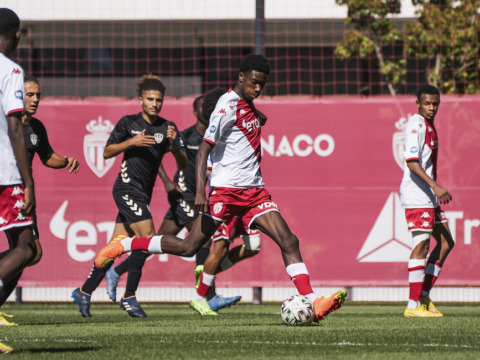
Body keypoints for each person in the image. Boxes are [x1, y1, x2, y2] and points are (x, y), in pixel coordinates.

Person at [94, 54, 347, 321]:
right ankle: (125, 245)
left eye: (262, 84)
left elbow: (250, 115)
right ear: (241, 77)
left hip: (254, 192)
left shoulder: (245, 102)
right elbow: (203, 149)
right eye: (253, 83)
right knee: (188, 248)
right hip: (226, 194)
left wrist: (255, 111)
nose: (258, 89)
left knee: (289, 240)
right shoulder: (226, 107)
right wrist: (202, 193)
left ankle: (312, 301)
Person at [105, 91, 244, 312]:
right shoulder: (186, 135)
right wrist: (167, 181)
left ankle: (116, 271)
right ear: (196, 111)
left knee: (153, 243)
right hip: (185, 196)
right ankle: (208, 296)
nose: (206, 111)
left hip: (191, 198)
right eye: (201, 108)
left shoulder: (214, 137)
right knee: (204, 241)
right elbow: (155, 156)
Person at [72, 74, 187, 318]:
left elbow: (183, 161)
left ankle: (85, 290)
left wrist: (175, 144)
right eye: (150, 99)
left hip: (141, 195)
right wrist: (131, 142)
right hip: (126, 189)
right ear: (140, 100)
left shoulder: (168, 128)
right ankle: (130, 296)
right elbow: (106, 152)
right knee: (147, 238)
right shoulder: (128, 123)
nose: (155, 104)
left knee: (116, 246)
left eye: (159, 100)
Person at [0, 75, 80, 324]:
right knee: (28, 252)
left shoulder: (36, 127)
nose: (35, 100)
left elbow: (47, 157)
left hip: (22, 193)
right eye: (30, 94)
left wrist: (65, 160)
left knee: (28, 253)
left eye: (38, 95)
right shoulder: (7, 124)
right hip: (11, 192)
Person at [400, 84, 454, 318]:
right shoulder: (416, 124)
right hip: (417, 194)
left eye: (435, 104)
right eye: (427, 103)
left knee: (445, 243)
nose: (432, 108)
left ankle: (423, 296)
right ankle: (413, 306)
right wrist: (435, 185)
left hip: (428, 196)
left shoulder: (429, 125)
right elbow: (412, 162)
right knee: (421, 245)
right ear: (418, 104)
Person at [0, 8, 35, 354]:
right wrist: (28, 182)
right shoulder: (9, 70)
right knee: (26, 249)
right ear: (13, 34)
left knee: (25, 249)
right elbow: (14, 127)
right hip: (4, 175)